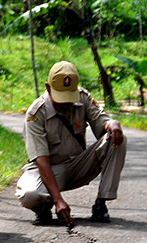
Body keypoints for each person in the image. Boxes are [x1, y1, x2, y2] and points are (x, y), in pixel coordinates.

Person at [16, 61, 126, 227]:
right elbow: (42, 161)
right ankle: (44, 207)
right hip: (50, 170)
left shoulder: (82, 98)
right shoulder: (36, 113)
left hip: (78, 165)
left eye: (69, 97)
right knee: (30, 195)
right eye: (60, 97)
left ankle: (101, 203)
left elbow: (101, 121)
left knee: (116, 138)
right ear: (48, 88)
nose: (65, 103)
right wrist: (58, 200)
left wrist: (112, 123)